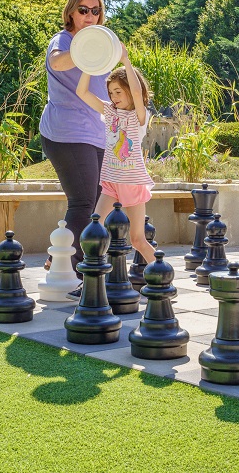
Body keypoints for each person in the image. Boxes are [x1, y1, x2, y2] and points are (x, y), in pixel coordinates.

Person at [70, 45, 157, 298]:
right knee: (92, 232)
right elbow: (81, 91)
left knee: (138, 240)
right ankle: (89, 285)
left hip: (131, 182)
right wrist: (87, 66)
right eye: (111, 92)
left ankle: (164, 276)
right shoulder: (109, 112)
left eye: (119, 91)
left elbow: (139, 93)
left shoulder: (138, 116)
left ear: (130, 91)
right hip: (110, 181)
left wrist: (126, 61)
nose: (114, 96)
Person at [40, 0, 109, 271]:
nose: (89, 16)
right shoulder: (64, 40)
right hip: (66, 132)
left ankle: (60, 259)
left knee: (94, 203)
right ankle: (73, 269)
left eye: (95, 11)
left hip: (95, 132)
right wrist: (86, 52)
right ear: (71, 12)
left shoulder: (102, 45)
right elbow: (57, 63)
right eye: (83, 10)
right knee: (82, 202)